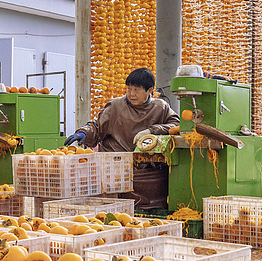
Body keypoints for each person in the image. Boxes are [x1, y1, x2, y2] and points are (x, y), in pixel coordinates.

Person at [66, 67, 179, 209]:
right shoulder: (115, 106)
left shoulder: (160, 107)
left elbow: (176, 125)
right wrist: (83, 133)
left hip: (145, 173)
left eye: (136, 90)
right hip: (114, 170)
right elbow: (97, 126)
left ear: (150, 90)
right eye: (129, 89)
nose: (131, 94)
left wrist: (152, 130)